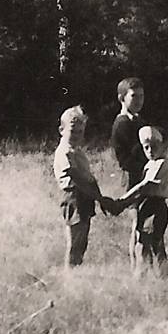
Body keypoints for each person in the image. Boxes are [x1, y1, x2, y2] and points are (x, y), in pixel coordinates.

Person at [110, 77, 168, 269]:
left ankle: (150, 268)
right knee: (138, 229)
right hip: (135, 181)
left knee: (150, 228)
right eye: (134, 96)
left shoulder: (140, 122)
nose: (139, 101)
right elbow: (127, 160)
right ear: (121, 98)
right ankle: (137, 270)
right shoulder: (122, 124)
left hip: (149, 180)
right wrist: (148, 172)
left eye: (142, 96)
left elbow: (156, 156)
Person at [53, 105, 117, 268]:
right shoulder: (65, 151)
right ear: (62, 129)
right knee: (75, 241)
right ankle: (70, 276)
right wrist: (99, 198)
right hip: (74, 197)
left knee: (82, 241)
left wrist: (99, 198)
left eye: (80, 132)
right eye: (72, 131)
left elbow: (88, 178)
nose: (76, 135)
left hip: (85, 196)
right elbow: (77, 179)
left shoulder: (77, 150)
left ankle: (77, 272)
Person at [115, 127, 168, 278]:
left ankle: (161, 276)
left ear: (163, 145)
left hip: (156, 206)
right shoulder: (151, 164)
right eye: (146, 147)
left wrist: (123, 201)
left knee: (155, 243)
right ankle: (144, 273)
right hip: (146, 206)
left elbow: (145, 185)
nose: (150, 150)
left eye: (154, 146)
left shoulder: (162, 163)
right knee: (142, 241)